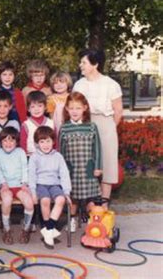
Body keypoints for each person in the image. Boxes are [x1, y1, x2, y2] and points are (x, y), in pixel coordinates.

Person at [73, 48, 123, 203]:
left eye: (84, 62)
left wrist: (109, 128)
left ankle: (104, 203)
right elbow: (74, 108)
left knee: (107, 163)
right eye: (81, 62)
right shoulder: (79, 85)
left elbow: (118, 110)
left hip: (105, 123)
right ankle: (88, 203)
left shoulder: (111, 84)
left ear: (95, 64)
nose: (80, 65)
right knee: (87, 162)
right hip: (85, 124)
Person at [60, 92, 103, 232]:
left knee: (91, 199)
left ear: (85, 108)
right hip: (71, 170)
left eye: (78, 108)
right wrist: (62, 171)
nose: (74, 111)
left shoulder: (91, 126)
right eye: (71, 108)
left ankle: (94, 223)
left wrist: (98, 167)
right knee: (73, 199)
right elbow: (61, 152)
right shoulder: (64, 128)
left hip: (88, 168)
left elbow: (97, 148)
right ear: (67, 109)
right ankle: (72, 220)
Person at [28, 126, 71, 249]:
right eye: (42, 141)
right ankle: (49, 229)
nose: (45, 145)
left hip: (54, 184)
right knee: (45, 200)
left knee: (61, 199)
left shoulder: (58, 156)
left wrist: (66, 192)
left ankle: (48, 229)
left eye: (48, 141)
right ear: (37, 143)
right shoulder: (34, 157)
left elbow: (64, 174)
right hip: (40, 184)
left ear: (53, 141)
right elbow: (31, 175)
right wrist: (33, 192)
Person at [0, 127, 34, 244]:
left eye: (11, 140)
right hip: (5, 185)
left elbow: (25, 168)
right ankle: (7, 229)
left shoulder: (20, 152)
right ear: (1, 142)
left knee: (29, 202)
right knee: (6, 200)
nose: (8, 143)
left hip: (19, 185)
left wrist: (25, 183)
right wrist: (3, 183)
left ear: (16, 142)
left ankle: (26, 229)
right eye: (5, 140)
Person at [20, 91, 55, 156]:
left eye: (39, 106)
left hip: (48, 156)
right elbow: (23, 144)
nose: (36, 109)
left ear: (45, 107)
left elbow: (55, 142)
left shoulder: (51, 123)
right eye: (33, 107)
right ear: (28, 109)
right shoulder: (26, 125)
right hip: (31, 156)